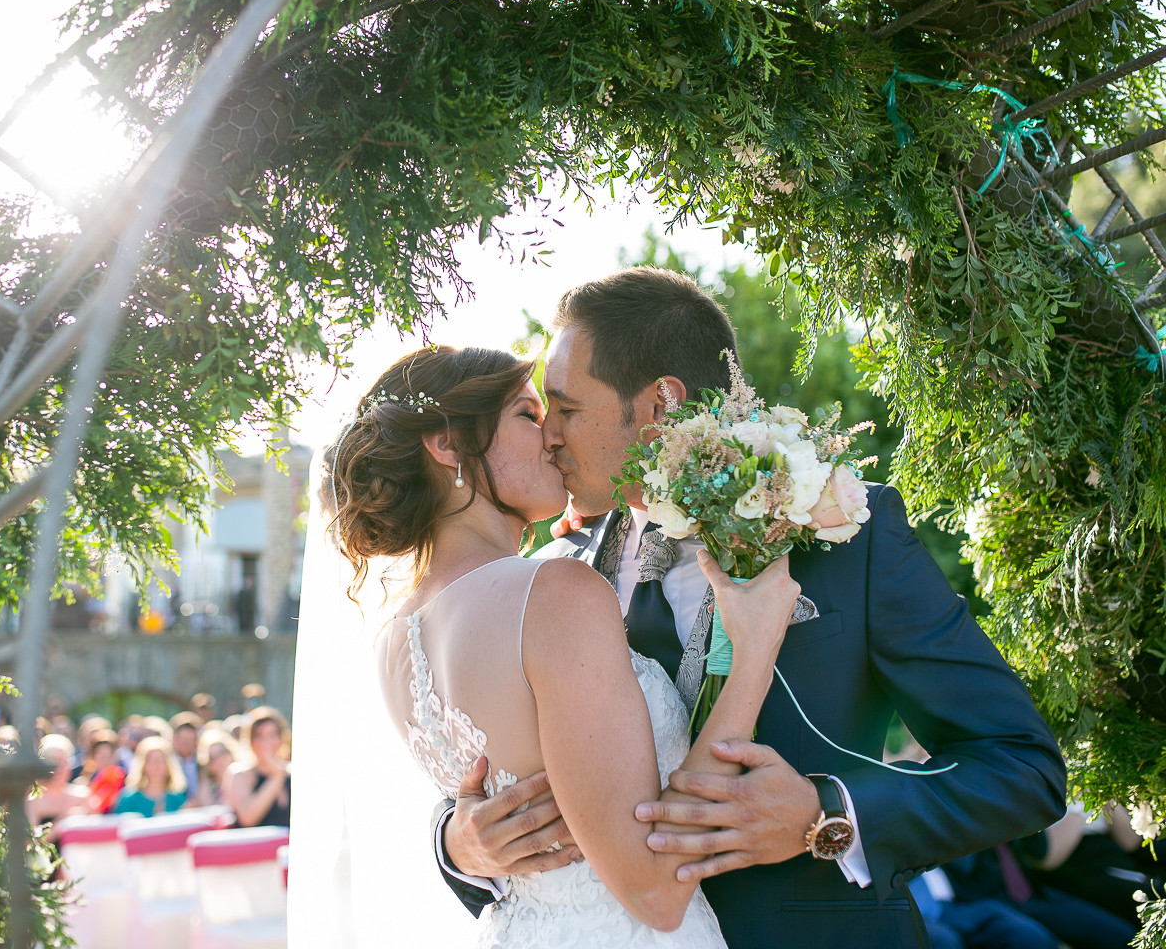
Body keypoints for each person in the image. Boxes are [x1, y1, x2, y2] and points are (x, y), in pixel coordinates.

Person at [432, 267, 1068, 947]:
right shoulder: (552, 576)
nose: (547, 435)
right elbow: (493, 768)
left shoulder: (846, 529)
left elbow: (1021, 767)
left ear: (660, 405)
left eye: (566, 408)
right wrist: (459, 847)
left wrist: (829, 816)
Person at [329, 345, 803, 944]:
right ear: (446, 445)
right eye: (528, 416)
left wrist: (456, 844)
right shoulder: (556, 594)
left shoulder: (393, 639)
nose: (552, 436)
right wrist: (754, 654)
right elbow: (656, 891)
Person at [223, 706, 292, 828]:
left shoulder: (291, 772)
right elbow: (248, 818)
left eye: (273, 734)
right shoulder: (240, 774)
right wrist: (276, 776)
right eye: (260, 736)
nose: (267, 742)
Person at [26, 733, 92, 845]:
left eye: (63, 762)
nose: (59, 768)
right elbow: (29, 844)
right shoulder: (34, 801)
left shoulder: (82, 795)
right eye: (53, 762)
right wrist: (59, 824)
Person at [113, 734, 190, 818]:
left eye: (161, 760)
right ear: (143, 765)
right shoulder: (128, 799)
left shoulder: (178, 799)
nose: (157, 766)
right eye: (152, 760)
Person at [195, 728, 240, 807]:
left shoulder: (244, 778)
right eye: (213, 758)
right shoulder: (207, 787)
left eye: (222, 753)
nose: (219, 761)